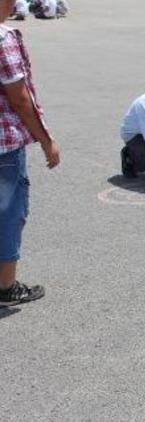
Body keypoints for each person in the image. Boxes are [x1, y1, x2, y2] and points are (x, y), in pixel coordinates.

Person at [0, 0, 61, 306]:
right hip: (4, 145)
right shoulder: (3, 39)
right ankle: (6, 287)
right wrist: (46, 140)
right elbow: (21, 99)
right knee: (9, 213)